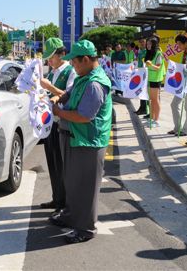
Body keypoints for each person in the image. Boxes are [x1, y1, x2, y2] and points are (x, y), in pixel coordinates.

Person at [49, 40, 112, 244]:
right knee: (72, 183)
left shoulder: (94, 83)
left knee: (85, 187)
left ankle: (85, 228)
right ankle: (70, 215)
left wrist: (59, 112)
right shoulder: (83, 78)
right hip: (75, 138)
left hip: (88, 142)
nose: (72, 65)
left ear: (85, 59)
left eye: (74, 62)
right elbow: (69, 94)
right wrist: (58, 99)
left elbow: (85, 116)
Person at [39, 38, 77, 213]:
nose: (49, 61)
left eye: (51, 57)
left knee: (63, 166)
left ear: (62, 54)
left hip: (63, 125)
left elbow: (69, 96)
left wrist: (51, 89)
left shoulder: (71, 71)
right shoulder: (51, 72)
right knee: (52, 164)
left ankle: (66, 204)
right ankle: (57, 198)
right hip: (49, 125)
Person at [168, 32, 187, 136]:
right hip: (182, 83)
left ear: (186, 43)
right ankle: (177, 128)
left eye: (179, 44)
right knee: (174, 104)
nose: (178, 46)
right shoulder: (183, 53)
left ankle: (186, 130)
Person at [145, 38, 165, 127]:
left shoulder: (158, 54)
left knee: (155, 100)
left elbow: (158, 67)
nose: (148, 46)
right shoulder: (148, 53)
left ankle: (156, 120)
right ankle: (151, 118)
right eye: (147, 44)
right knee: (151, 99)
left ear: (154, 44)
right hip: (149, 79)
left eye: (150, 44)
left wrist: (150, 65)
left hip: (156, 80)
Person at [134, 37, 148, 115]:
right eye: (141, 42)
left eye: (143, 42)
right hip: (139, 72)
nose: (142, 43)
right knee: (140, 91)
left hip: (145, 73)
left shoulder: (147, 51)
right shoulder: (139, 51)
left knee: (144, 91)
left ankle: (144, 109)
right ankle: (142, 107)